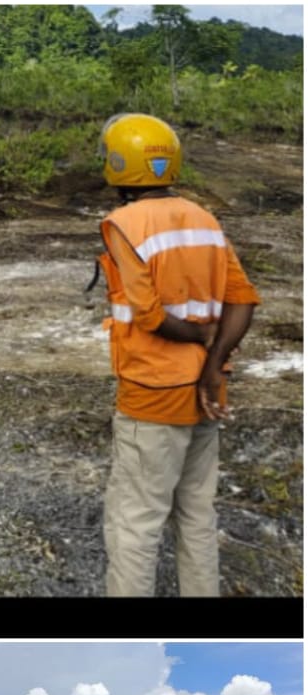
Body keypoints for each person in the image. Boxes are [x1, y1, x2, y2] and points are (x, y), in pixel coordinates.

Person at [97, 113, 261, 597]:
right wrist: (212, 365)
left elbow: (147, 316)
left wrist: (194, 337)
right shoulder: (205, 219)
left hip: (151, 394)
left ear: (118, 162)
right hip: (204, 394)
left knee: (136, 522)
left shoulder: (123, 223)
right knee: (196, 516)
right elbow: (242, 299)